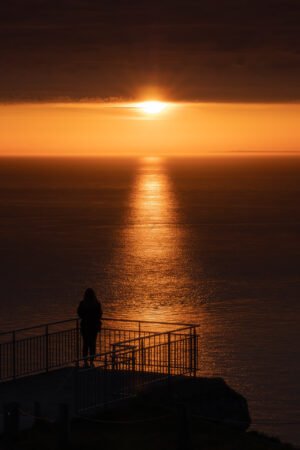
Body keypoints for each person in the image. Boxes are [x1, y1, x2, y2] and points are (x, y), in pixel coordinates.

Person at [77, 288, 103, 367]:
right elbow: (100, 314)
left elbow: (79, 313)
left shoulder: (83, 303)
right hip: (93, 327)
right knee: (92, 344)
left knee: (85, 343)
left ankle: (85, 361)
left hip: (85, 326)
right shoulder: (97, 304)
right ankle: (91, 361)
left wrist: (85, 317)